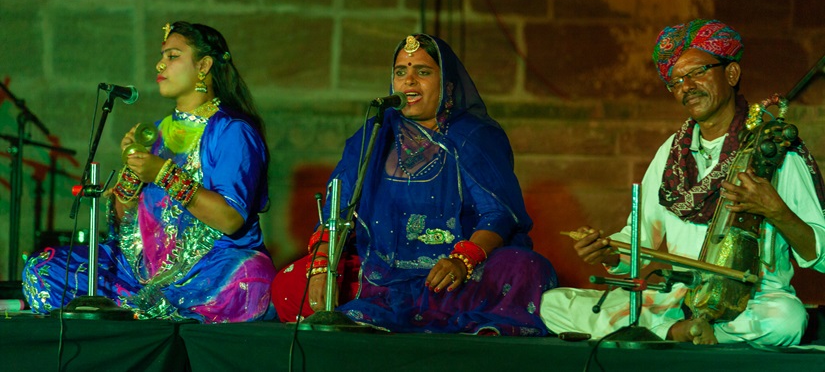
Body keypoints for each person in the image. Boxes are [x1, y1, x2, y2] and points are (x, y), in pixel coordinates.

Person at [540, 19, 825, 345]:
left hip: (751, 301)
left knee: (786, 320)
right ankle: (680, 330)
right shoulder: (671, 154)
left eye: (696, 73)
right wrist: (607, 253)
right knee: (554, 304)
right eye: (675, 81)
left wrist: (777, 211)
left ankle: (680, 333)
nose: (685, 86)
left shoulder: (774, 152)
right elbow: (639, 242)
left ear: (731, 74)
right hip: (676, 300)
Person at [271, 34, 558, 335]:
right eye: (400, 72)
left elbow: (497, 214)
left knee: (526, 268)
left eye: (422, 72)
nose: (409, 82)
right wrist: (321, 268)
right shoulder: (375, 135)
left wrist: (461, 261)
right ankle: (378, 311)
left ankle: (383, 316)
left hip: (452, 276)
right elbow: (337, 210)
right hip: (382, 270)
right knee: (289, 284)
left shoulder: (472, 137)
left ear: (447, 85)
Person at [22, 21, 277, 323]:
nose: (160, 64)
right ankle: (145, 316)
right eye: (162, 56)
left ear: (204, 66)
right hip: (143, 272)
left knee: (247, 283)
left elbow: (231, 219)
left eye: (173, 56)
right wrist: (132, 172)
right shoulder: (157, 132)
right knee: (43, 270)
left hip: (209, 269)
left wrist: (163, 174)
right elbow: (123, 225)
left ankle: (141, 315)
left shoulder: (232, 132)